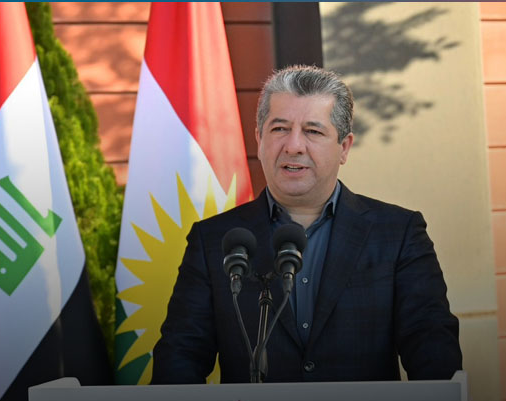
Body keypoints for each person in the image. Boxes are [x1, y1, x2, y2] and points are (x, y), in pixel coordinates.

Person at [151, 65, 462, 384]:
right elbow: (180, 357)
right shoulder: (214, 240)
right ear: (259, 139)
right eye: (279, 129)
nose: (294, 146)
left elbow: (432, 348)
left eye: (313, 131)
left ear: (344, 147)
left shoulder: (398, 233)